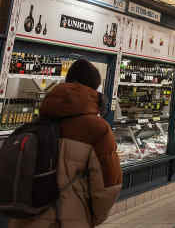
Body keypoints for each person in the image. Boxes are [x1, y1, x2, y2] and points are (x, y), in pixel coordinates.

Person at [10, 59, 122, 228]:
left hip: (25, 220)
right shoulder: (98, 129)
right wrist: (89, 218)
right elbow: (109, 187)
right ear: (95, 88)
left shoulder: (39, 120)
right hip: (68, 220)